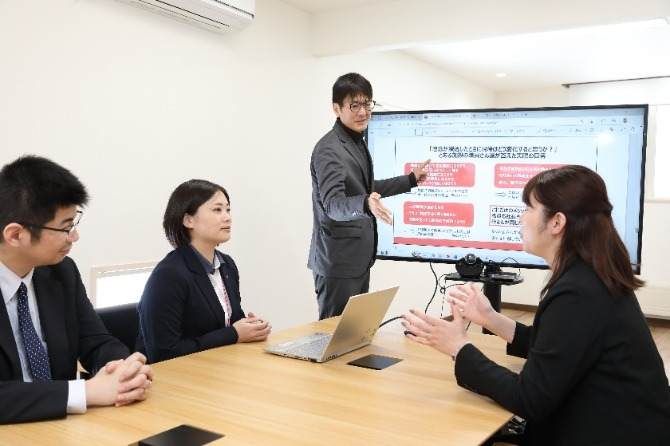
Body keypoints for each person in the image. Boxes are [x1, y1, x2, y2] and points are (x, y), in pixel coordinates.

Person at [402, 165, 670, 445]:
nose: (521, 218)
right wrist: (491, 318)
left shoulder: (578, 292)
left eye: (528, 208)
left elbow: (530, 398)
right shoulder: (589, 276)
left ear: (557, 222)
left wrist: (459, 347)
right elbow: (559, 350)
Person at [0, 155, 152, 424]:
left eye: (74, 224)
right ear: (15, 235)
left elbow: (96, 341)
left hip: (63, 427)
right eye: (65, 227)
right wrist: (86, 392)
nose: (74, 237)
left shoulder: (61, 272)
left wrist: (124, 370)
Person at [308, 72, 429, 319]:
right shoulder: (329, 150)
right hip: (338, 263)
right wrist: (365, 203)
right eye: (354, 105)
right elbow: (333, 204)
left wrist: (409, 180)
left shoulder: (355, 141)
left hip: (357, 259)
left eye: (367, 103)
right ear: (336, 108)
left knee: (353, 330)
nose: (363, 112)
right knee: (333, 332)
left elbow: (365, 188)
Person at [138, 179, 270, 363]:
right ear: (188, 220)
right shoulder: (169, 275)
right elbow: (163, 353)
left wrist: (251, 327)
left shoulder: (227, 264)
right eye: (217, 210)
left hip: (219, 366)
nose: (227, 217)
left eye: (228, 209)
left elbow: (231, 322)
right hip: (178, 374)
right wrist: (234, 334)